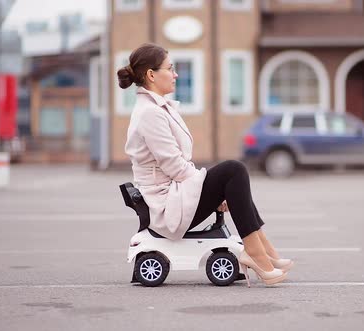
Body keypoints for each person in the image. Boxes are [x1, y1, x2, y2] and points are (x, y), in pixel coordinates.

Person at [118, 43, 293, 287]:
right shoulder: (150, 113)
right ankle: (256, 251)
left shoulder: (156, 108)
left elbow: (177, 166)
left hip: (174, 196)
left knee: (233, 176)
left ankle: (264, 250)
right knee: (234, 170)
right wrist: (211, 189)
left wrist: (213, 191)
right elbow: (175, 167)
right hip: (167, 206)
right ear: (151, 75)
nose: (176, 74)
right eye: (170, 68)